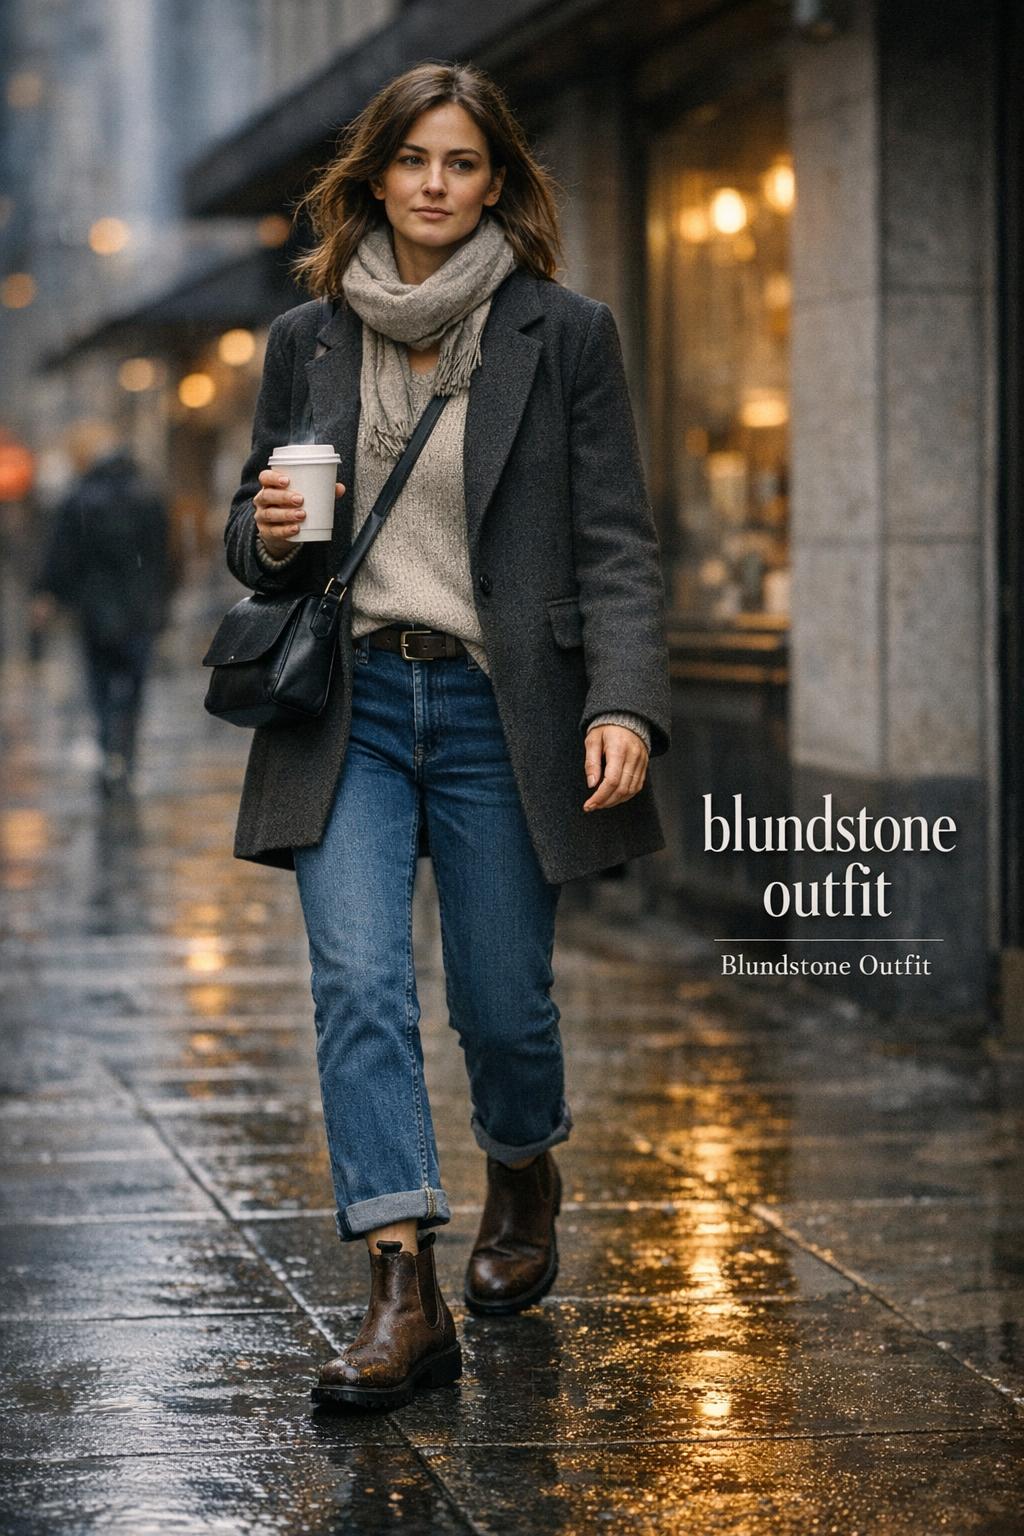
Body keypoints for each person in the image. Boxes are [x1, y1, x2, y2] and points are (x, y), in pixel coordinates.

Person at [223, 61, 671, 1411]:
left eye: (461, 162)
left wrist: (624, 700)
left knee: (501, 1004)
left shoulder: (564, 332)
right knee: (359, 986)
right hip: (349, 709)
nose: (434, 182)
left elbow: (616, 542)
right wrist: (266, 531)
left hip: (498, 710)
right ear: (374, 176)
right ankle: (400, 1286)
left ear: (495, 183)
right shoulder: (305, 341)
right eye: (413, 158)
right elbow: (251, 529)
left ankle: (523, 1164)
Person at [32, 424, 173, 795]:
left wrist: (49, 593)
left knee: (101, 685)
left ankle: (110, 748)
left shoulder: (80, 498)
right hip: (140, 608)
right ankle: (126, 753)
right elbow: (164, 556)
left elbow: (62, 555)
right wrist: (161, 600)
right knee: (133, 686)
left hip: (96, 611)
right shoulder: (148, 494)